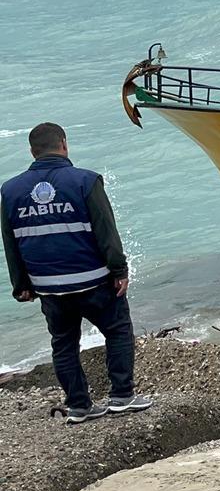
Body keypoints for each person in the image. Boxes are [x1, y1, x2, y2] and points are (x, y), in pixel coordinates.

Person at [2, 123, 152, 424]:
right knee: (118, 330)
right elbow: (105, 230)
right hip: (93, 280)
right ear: (64, 144)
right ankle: (122, 395)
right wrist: (119, 269)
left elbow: (11, 241)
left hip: (48, 288)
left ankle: (79, 405)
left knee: (64, 344)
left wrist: (22, 285)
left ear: (32, 152)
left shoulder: (10, 190)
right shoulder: (86, 181)